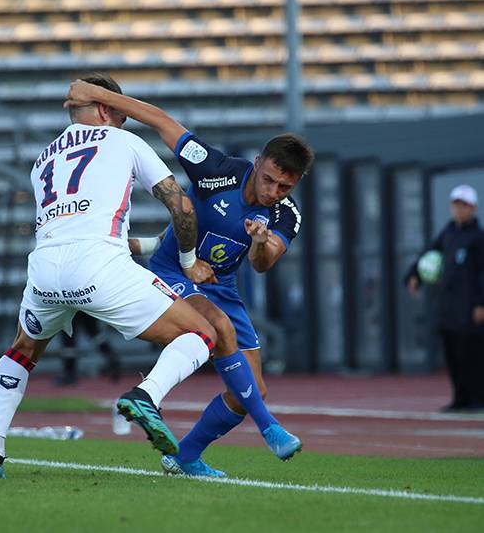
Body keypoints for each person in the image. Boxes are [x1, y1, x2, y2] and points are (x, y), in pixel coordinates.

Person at [0, 73, 299, 480]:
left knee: (22, 351)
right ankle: (147, 396)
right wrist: (186, 261)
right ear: (109, 110)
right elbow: (181, 207)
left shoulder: (44, 158)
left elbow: (83, 224)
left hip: (43, 270)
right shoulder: (124, 141)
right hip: (102, 267)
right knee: (203, 335)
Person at [66, 79, 311, 477]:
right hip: (172, 271)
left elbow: (264, 264)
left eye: (284, 186)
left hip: (221, 288)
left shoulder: (287, 214)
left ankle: (185, 457)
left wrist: (260, 243)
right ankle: (269, 428)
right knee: (218, 329)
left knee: (249, 391)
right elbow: (162, 121)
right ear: (258, 162)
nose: (273, 191)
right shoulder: (216, 169)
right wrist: (102, 98)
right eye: (269, 179)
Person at [405, 184, 484, 411]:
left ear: (473, 208)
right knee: (452, 355)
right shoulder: (447, 234)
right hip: (449, 307)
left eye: (464, 205)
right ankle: (460, 399)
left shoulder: (478, 238)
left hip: (470, 309)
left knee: (473, 356)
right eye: (456, 205)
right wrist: (414, 276)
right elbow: (428, 257)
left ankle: (477, 399)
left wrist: (481, 303)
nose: (459, 210)